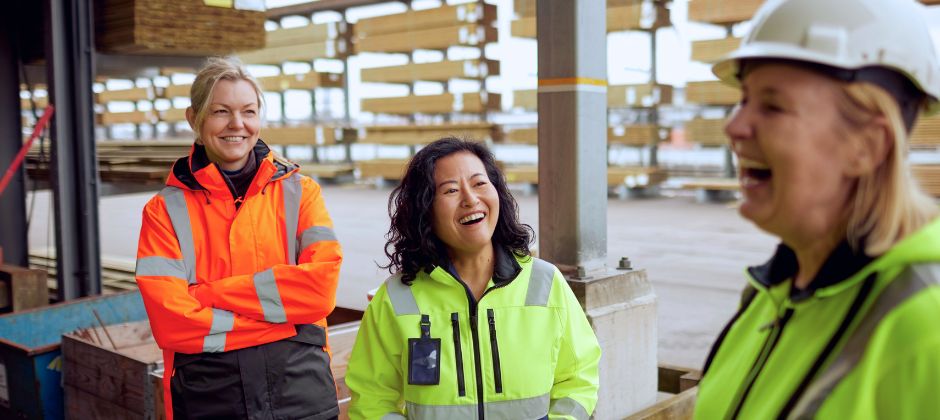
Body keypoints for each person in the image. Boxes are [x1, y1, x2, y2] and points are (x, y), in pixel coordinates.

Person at [694, 0, 940, 418]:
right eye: (744, 100)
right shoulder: (769, 297)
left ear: (867, 145)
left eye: (772, 105)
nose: (734, 127)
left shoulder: (926, 330)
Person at [135, 56, 342, 420]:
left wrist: (206, 295)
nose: (237, 124)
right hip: (209, 399)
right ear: (193, 118)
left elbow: (319, 290)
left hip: (300, 396)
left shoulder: (301, 193)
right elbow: (172, 323)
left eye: (248, 111)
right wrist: (284, 322)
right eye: (220, 112)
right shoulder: (163, 212)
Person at [345, 138, 601, 419]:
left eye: (479, 184)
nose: (470, 199)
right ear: (425, 210)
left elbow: (578, 378)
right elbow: (371, 400)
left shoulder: (544, 282)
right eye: (451, 190)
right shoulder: (397, 297)